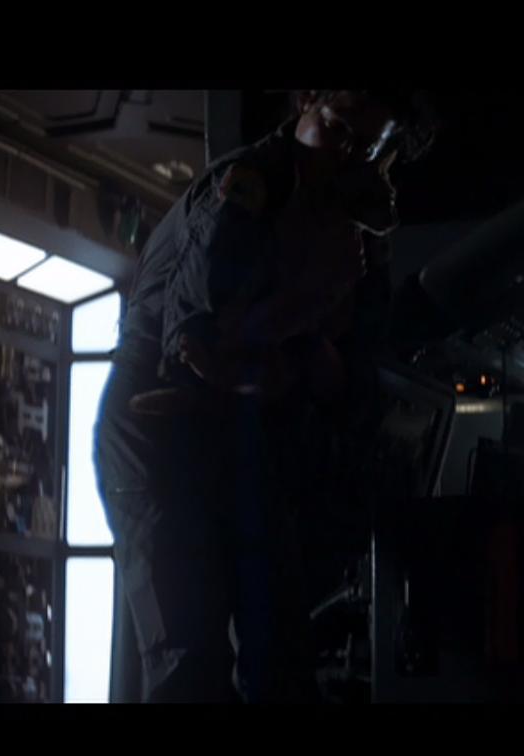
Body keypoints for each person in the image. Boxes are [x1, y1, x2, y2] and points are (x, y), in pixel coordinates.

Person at [94, 90, 434, 701]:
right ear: (305, 102)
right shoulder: (247, 186)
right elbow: (197, 346)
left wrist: (301, 357)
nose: (346, 155)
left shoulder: (354, 219)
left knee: (283, 658)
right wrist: (307, 315)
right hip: (161, 432)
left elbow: (352, 383)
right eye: (336, 129)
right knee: (189, 662)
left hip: (237, 438)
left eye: (368, 147)